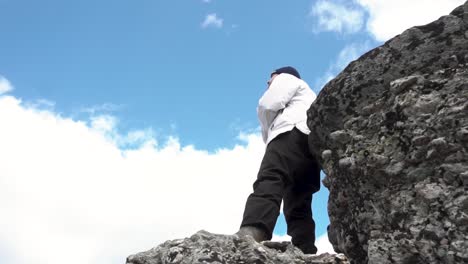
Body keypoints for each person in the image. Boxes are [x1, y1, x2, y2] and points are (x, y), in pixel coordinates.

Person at [237, 66, 321, 254]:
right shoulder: (308, 96)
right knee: (299, 199)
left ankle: (254, 230)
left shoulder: (288, 79)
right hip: (311, 144)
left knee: (271, 178)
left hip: (289, 133)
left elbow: (268, 104)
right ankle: (305, 248)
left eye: (271, 77)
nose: (268, 82)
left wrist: (268, 134)